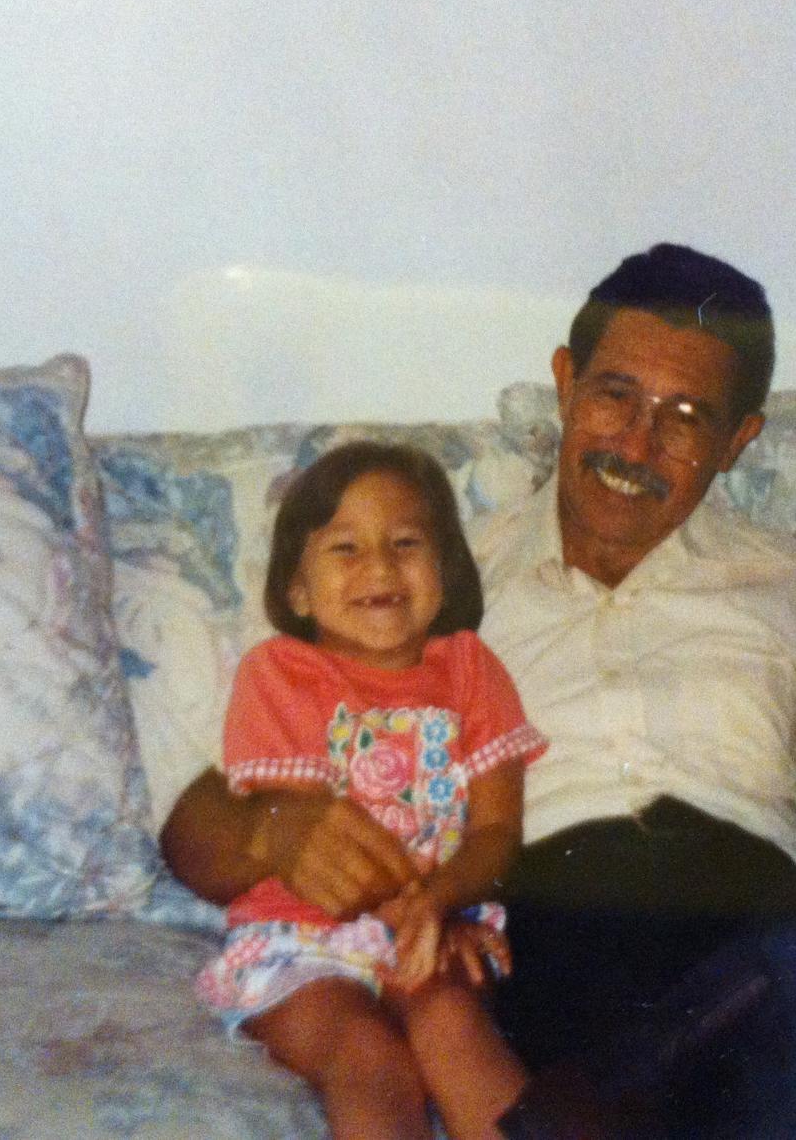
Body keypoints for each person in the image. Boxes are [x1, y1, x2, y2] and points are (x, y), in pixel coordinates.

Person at [163, 245, 796, 1138]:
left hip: (754, 904)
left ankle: (685, 1049)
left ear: (736, 440)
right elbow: (200, 816)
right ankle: (748, 1025)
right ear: (565, 383)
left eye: (684, 416)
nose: (637, 443)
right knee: (781, 1064)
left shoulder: (790, 582)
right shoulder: (428, 578)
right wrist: (275, 828)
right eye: (615, 396)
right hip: (554, 929)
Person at [192, 440, 546, 1140]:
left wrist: (443, 904)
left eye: (407, 541)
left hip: (432, 924)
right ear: (297, 589)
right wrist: (417, 912)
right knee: (368, 1053)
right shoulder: (277, 676)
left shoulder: (473, 670)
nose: (380, 565)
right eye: (345, 548)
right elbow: (312, 844)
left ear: (444, 569)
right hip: (302, 940)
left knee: (452, 1020)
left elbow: (496, 832)